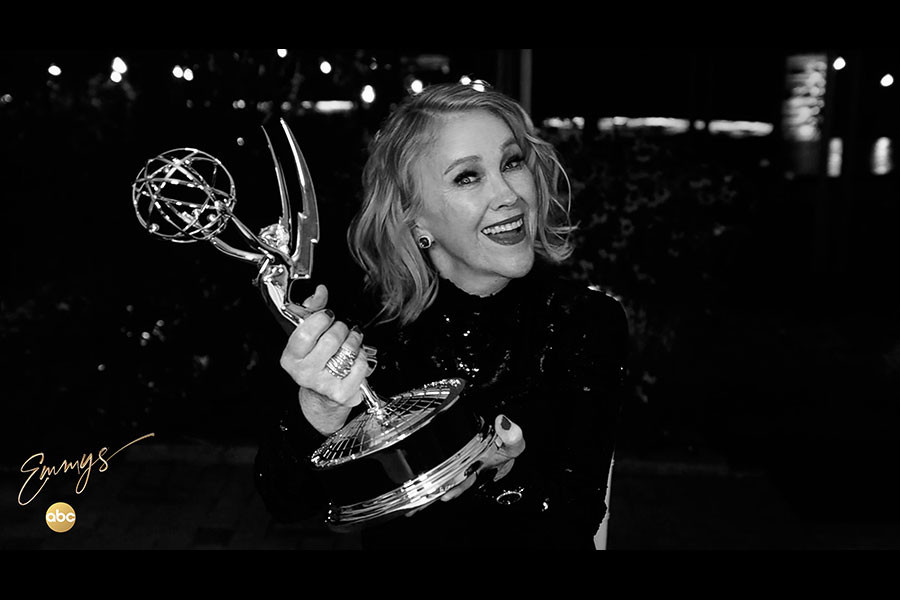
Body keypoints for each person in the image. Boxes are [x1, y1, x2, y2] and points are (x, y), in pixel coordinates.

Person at [254, 81, 629, 549]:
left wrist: (499, 476)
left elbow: (578, 514)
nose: (509, 194)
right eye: (467, 177)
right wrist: (317, 409)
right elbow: (288, 503)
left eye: (512, 163)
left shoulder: (582, 322)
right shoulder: (367, 329)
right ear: (415, 219)